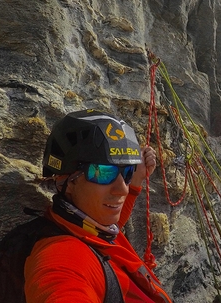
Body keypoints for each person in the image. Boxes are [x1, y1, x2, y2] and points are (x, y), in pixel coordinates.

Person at [24, 109, 173, 303]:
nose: (123, 190)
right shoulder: (63, 256)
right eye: (103, 172)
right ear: (66, 180)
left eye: (126, 171)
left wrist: (135, 180)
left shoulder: (94, 227)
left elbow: (116, 224)